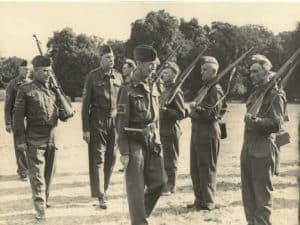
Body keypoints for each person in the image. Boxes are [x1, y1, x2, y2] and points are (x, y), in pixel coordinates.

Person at [116, 44, 166, 225]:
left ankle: (138, 217)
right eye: (150, 65)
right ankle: (139, 221)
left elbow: (156, 116)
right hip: (133, 142)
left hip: (151, 140)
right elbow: (120, 124)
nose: (154, 68)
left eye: (155, 65)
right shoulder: (127, 89)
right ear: (138, 63)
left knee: (159, 182)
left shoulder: (152, 85)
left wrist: (157, 137)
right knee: (136, 189)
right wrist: (124, 152)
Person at [13, 55, 67, 220]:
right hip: (34, 139)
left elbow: (66, 115)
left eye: (50, 71)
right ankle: (40, 207)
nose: (48, 74)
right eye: (44, 71)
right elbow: (18, 118)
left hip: (52, 139)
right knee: (36, 176)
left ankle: (45, 200)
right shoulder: (25, 90)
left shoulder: (53, 90)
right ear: (35, 71)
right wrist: (20, 140)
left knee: (49, 175)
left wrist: (59, 92)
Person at [240, 54, 285, 225]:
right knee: (248, 195)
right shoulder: (256, 93)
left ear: (267, 73)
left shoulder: (275, 94)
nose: (251, 75)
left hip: (263, 149)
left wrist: (257, 122)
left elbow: (277, 123)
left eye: (256, 71)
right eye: (251, 72)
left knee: (261, 196)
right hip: (248, 148)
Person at [81, 45, 123, 209]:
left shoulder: (118, 76)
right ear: (100, 60)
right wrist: (85, 129)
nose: (111, 60)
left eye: (112, 57)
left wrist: (121, 121)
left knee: (111, 158)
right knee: (98, 158)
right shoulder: (92, 77)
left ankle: (103, 188)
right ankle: (101, 194)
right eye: (107, 57)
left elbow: (123, 102)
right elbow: (85, 106)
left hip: (115, 121)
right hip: (97, 120)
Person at [187, 56, 227, 211]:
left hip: (208, 131)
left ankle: (209, 201)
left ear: (214, 72)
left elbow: (211, 114)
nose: (201, 73)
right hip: (197, 131)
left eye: (205, 70)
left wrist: (194, 109)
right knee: (195, 167)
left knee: (207, 167)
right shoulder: (204, 88)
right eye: (201, 69)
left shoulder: (215, 89)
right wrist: (195, 110)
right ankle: (199, 199)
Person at [159, 62, 185, 195]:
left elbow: (181, 113)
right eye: (163, 71)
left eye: (167, 72)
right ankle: (167, 182)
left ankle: (171, 185)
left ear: (174, 75)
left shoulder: (176, 91)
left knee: (171, 158)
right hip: (163, 128)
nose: (163, 74)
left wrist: (166, 111)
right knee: (166, 157)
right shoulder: (165, 90)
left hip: (171, 129)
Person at [4, 60, 30, 180]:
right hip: (17, 119)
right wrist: (8, 122)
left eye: (29, 69)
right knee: (20, 145)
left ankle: (31, 169)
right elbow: (8, 105)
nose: (27, 71)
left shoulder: (32, 83)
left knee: (32, 145)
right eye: (25, 69)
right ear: (19, 69)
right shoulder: (12, 84)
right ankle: (23, 171)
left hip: (30, 119)